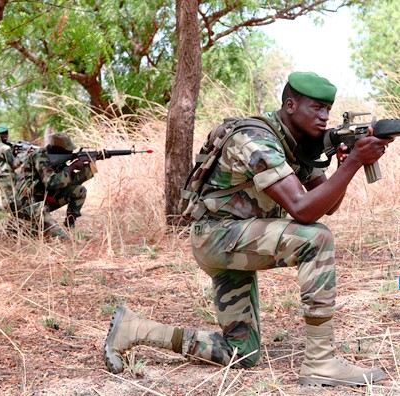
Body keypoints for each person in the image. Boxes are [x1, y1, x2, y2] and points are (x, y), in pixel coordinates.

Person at [103, 72, 393, 386]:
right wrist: (353, 163)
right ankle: (321, 362)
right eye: (316, 108)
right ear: (291, 104)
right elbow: (303, 211)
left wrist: (342, 165)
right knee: (317, 239)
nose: (324, 117)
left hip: (234, 239)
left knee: (240, 352)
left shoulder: (295, 143)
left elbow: (325, 205)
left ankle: (135, 329)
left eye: (328, 109)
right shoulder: (256, 139)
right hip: (218, 237)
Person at [7, 132, 96, 240]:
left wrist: (90, 165)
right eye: (68, 149)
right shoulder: (40, 157)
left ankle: (70, 226)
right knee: (62, 237)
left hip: (42, 201)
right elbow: (51, 182)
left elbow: (71, 182)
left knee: (79, 191)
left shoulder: (58, 159)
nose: (71, 151)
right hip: (26, 204)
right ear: (57, 149)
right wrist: (72, 166)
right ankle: (22, 229)